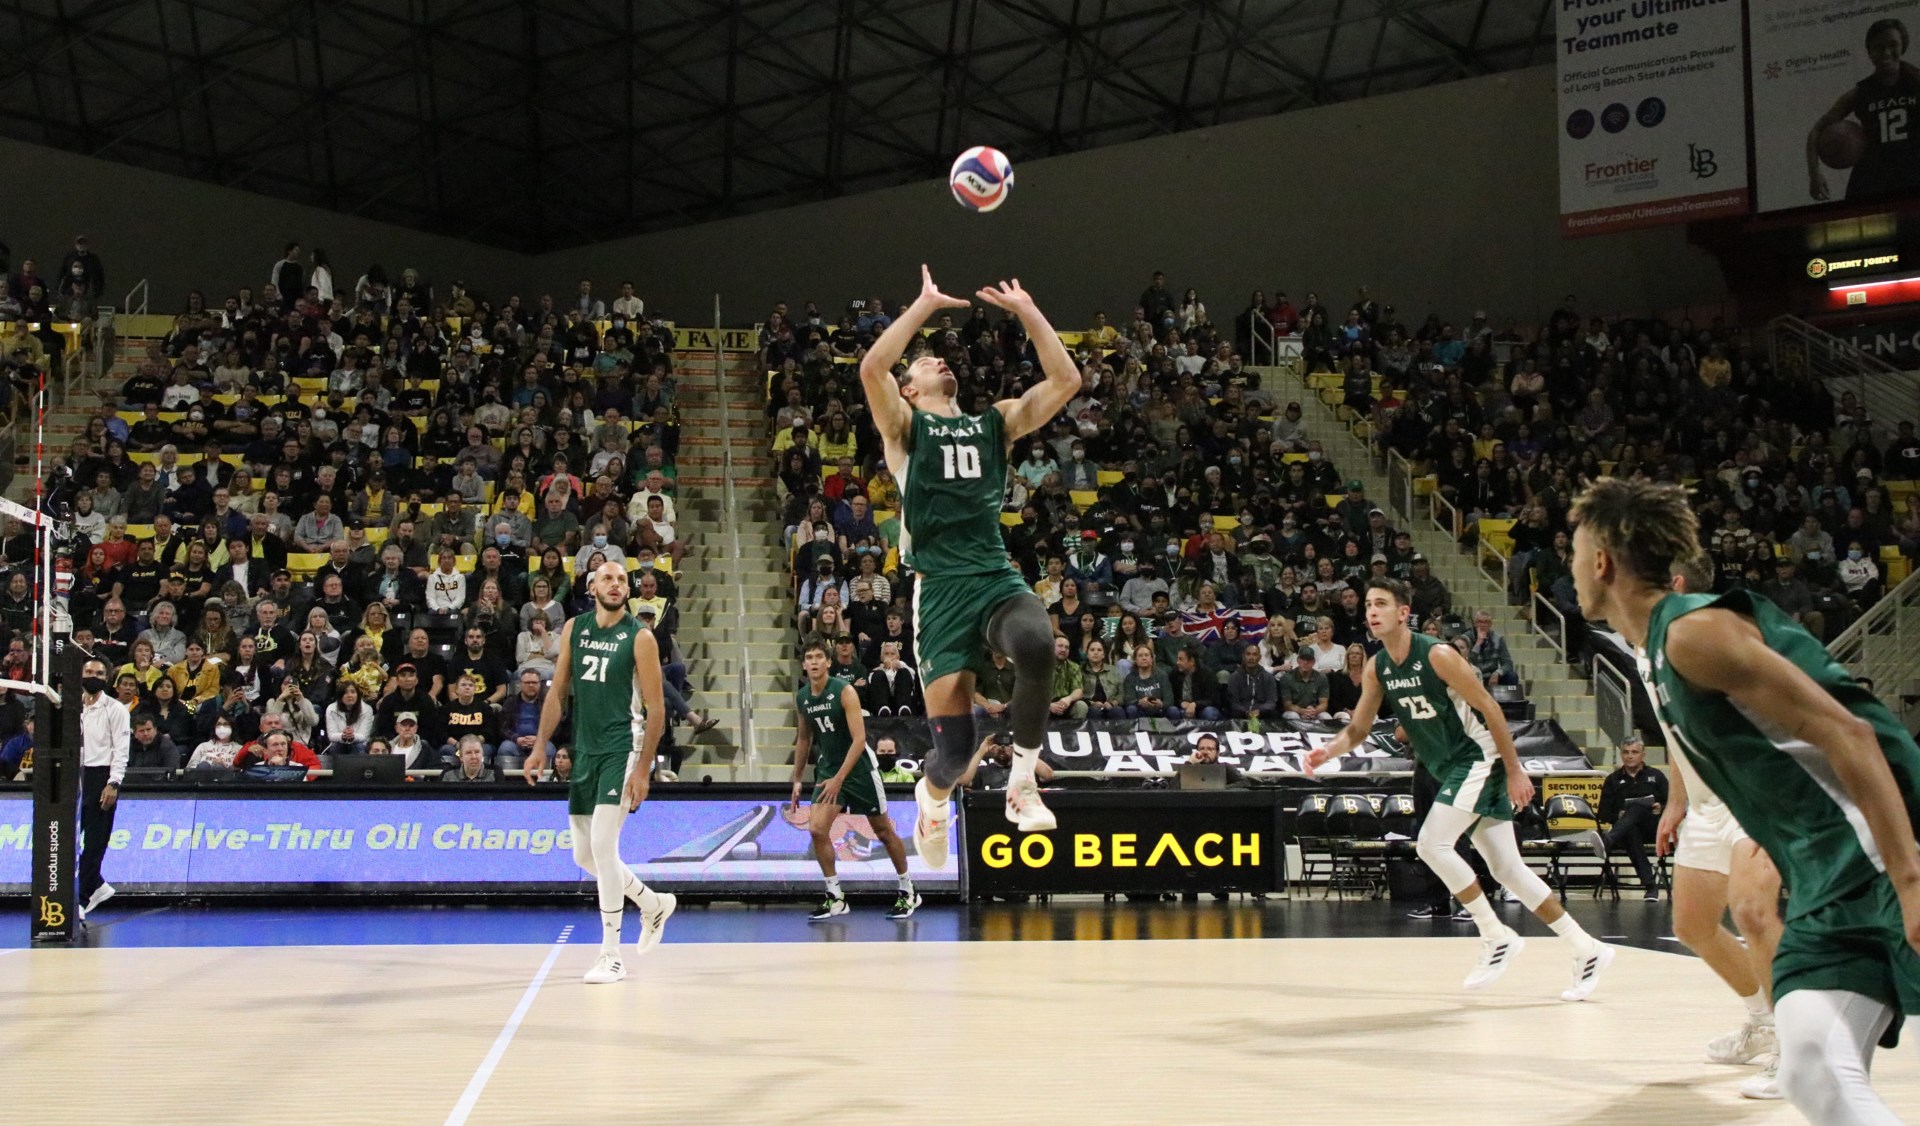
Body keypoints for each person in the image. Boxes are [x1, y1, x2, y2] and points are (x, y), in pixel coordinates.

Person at [1572, 476, 1920, 1123]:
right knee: (1810, 1066)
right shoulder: (1656, 648)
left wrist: (1910, 877)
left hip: (1878, 852)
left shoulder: (1692, 633)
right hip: (1826, 870)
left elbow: (1852, 733)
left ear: (1602, 562)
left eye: (1574, 551)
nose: (1569, 566)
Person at [1306, 577, 1613, 1001]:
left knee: (1432, 845)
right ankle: (1587, 947)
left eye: (1381, 604)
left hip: (1476, 759)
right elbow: (1358, 727)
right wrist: (1330, 749)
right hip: (1447, 766)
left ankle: (1495, 934)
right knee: (1508, 868)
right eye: (1368, 606)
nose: (1371, 612)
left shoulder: (1437, 655)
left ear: (1403, 613)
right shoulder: (1377, 666)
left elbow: (1490, 708)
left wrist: (1515, 769)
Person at [858, 267, 1074, 866]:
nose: (939, 364)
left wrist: (1028, 309)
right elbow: (872, 370)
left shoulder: (994, 424)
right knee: (953, 754)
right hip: (942, 591)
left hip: (993, 575)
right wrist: (922, 307)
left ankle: (1022, 785)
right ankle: (930, 802)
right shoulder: (904, 430)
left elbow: (1065, 378)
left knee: (1037, 645)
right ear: (909, 390)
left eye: (940, 361)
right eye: (925, 365)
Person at [1654, 551, 1787, 1102]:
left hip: (1752, 793)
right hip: (1706, 801)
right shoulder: (1651, 647)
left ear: (1676, 584)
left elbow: (1781, 707)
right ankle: (1763, 1023)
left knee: (1755, 912)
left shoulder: (1712, 633)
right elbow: (1672, 727)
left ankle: (1799, 1048)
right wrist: (1675, 800)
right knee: (1692, 925)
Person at [525, 561, 676, 985]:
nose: (616, 585)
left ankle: (611, 954)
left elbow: (657, 707)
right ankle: (653, 903)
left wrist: (645, 768)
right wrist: (540, 747)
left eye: (622, 580)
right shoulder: (575, 628)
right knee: (584, 856)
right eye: (608, 578)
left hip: (621, 748)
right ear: (592, 586)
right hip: (585, 751)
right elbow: (557, 691)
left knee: (605, 850)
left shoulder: (640, 637)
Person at [788, 641, 918, 921]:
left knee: (883, 830)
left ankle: (908, 891)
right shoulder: (802, 697)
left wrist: (840, 779)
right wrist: (797, 779)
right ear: (804, 664)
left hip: (858, 769)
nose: (813, 662)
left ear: (828, 662)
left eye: (819, 657)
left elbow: (860, 740)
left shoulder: (844, 691)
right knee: (817, 829)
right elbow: (804, 739)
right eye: (809, 657)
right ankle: (835, 897)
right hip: (829, 770)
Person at [1808, 17, 1920, 203]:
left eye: (1893, 45)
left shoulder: (1916, 82)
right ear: (1869, 52)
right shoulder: (1860, 93)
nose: (1886, 52)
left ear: (1903, 46)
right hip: (1873, 177)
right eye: (1878, 47)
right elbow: (1816, 131)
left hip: (1913, 172)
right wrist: (1814, 174)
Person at [76, 655, 131, 918]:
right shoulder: (73, 708)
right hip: (75, 775)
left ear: (106, 678)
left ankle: (82, 896)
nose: (93, 676)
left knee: (96, 840)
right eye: (89, 671)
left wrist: (113, 782)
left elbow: (121, 750)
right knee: (72, 838)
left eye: (99, 673)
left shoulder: (115, 709)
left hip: (101, 776)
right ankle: (96, 885)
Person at [1590, 737, 1668, 900]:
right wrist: (1617, 815)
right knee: (1630, 830)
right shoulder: (1613, 779)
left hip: (1653, 828)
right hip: (1626, 831)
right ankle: (1650, 887)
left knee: (1637, 808)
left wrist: (1661, 807)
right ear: (1621, 754)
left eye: (1634, 752)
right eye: (1626, 752)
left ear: (1643, 755)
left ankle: (1607, 841)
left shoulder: (1656, 775)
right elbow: (1603, 813)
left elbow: (1672, 803)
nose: (1630, 756)